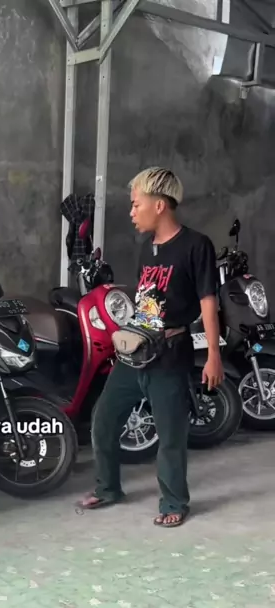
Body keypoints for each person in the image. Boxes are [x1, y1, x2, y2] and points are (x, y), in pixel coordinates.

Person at [78, 167, 224, 527]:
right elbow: (148, 302)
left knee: (170, 433)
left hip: (171, 354)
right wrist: (131, 339)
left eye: (136, 204)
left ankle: (174, 502)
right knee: (104, 418)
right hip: (138, 351)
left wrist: (214, 356)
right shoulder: (147, 249)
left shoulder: (196, 246)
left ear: (159, 205)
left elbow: (208, 302)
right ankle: (108, 488)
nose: (131, 212)